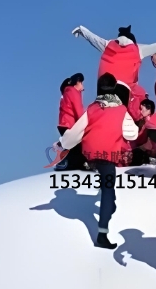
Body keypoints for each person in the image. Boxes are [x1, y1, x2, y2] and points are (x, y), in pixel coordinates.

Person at [56, 74, 140, 249]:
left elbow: (75, 133)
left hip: (91, 155)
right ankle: (102, 234)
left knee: (107, 187)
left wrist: (63, 143)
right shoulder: (121, 110)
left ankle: (109, 206)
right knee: (108, 191)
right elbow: (132, 134)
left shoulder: (92, 109)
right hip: (108, 156)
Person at [71, 25, 156, 95]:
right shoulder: (138, 49)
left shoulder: (108, 45)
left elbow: (94, 39)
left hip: (105, 90)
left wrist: (82, 30)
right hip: (125, 92)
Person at [56, 73, 86, 171]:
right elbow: (79, 111)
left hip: (64, 124)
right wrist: (85, 124)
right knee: (78, 146)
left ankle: (66, 162)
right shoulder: (73, 92)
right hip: (70, 125)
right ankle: (70, 164)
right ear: (77, 82)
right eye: (81, 83)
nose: (83, 87)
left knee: (74, 147)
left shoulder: (66, 94)